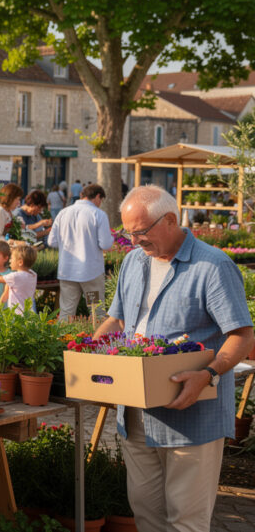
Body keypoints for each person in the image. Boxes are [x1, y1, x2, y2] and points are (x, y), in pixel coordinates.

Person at [97, 185, 254, 532]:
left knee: (186, 521)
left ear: (170, 220)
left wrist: (208, 375)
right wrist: (87, 352)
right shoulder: (133, 261)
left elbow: (243, 336)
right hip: (136, 413)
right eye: (128, 232)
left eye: (140, 231)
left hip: (191, 416)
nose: (133, 241)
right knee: (146, 515)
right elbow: (119, 321)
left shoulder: (213, 266)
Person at [47, 184, 113, 320]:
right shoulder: (98, 214)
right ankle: (97, 334)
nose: (100, 203)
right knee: (96, 312)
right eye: (101, 200)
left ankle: (62, 333)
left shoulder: (63, 213)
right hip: (91, 272)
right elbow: (105, 244)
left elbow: (51, 242)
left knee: (66, 312)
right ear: (98, 196)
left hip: (67, 270)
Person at [0, 244, 37, 313]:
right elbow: (6, 293)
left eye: (12, 258)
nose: (10, 261)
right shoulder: (33, 274)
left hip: (16, 314)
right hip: (29, 313)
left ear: (20, 262)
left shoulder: (15, 277)